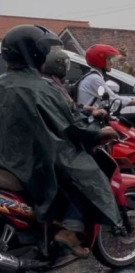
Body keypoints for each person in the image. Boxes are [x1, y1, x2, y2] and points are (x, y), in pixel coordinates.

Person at [0, 25, 122, 258]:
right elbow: (74, 124)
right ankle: (70, 229)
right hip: (32, 161)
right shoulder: (42, 87)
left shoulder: (4, 83)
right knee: (84, 174)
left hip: (6, 158)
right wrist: (98, 133)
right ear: (36, 54)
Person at [75, 44, 135, 113]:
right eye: (109, 59)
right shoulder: (94, 79)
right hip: (89, 121)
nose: (112, 62)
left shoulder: (92, 76)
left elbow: (109, 99)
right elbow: (114, 99)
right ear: (100, 60)